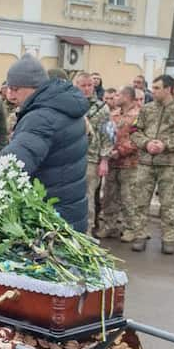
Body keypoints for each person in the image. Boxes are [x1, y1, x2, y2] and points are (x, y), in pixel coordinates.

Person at [1, 54, 88, 231]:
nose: (10, 94)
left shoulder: (42, 117)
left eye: (15, 88)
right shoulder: (61, 105)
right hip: (70, 208)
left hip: (53, 215)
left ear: (32, 87)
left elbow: (14, 162)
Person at [128, 74, 174, 254]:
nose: (153, 91)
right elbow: (135, 131)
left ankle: (168, 238)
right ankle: (139, 235)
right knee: (140, 200)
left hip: (169, 164)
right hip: (146, 162)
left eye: (157, 88)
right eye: (153, 88)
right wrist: (146, 143)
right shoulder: (146, 109)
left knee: (169, 203)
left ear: (168, 89)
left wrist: (165, 145)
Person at [96, 85, 141, 242]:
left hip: (130, 163)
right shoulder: (113, 114)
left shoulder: (138, 115)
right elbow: (107, 134)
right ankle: (109, 226)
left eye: (118, 95)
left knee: (129, 197)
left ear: (127, 97)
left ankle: (130, 228)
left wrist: (120, 151)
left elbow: (137, 138)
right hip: (112, 162)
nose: (115, 97)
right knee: (109, 195)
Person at [79, 73, 113, 237]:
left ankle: (87, 231)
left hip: (91, 158)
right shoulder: (70, 104)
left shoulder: (102, 108)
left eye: (89, 85)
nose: (86, 89)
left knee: (88, 197)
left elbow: (107, 135)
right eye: (83, 85)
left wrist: (104, 160)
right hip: (71, 157)